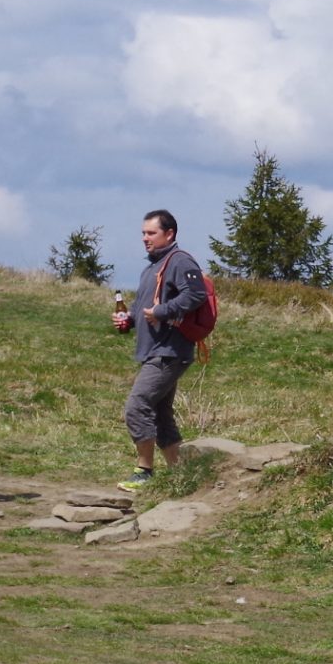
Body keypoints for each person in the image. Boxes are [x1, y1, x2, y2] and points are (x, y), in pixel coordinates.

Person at [110, 209, 207, 491]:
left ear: (169, 233)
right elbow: (145, 308)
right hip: (155, 350)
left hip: (169, 351)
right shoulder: (151, 267)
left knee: (137, 406)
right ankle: (181, 475)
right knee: (161, 413)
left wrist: (162, 311)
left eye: (151, 233)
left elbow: (196, 293)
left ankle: (144, 471)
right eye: (143, 233)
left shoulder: (179, 261)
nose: (145, 238)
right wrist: (129, 320)